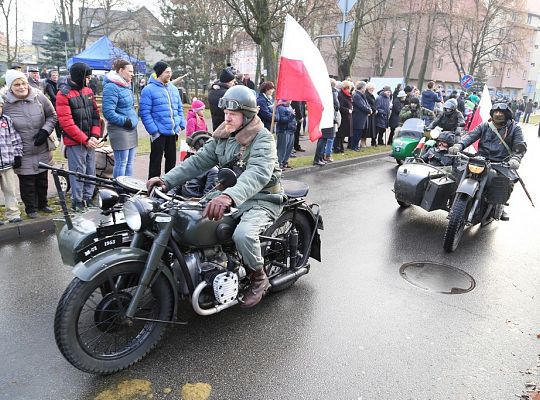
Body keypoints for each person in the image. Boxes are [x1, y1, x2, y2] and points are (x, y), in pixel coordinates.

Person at [146, 85, 282, 308]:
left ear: (247, 116)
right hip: (229, 191)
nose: (227, 117)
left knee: (244, 235)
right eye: (226, 113)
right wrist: (166, 180)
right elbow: (198, 161)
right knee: (191, 217)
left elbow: (257, 174)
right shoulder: (223, 134)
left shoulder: (263, 139)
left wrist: (228, 197)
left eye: (233, 114)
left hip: (262, 197)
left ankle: (259, 277)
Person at [449, 102, 527, 221]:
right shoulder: (485, 126)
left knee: (506, 183)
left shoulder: (515, 129)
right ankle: (457, 201)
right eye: (495, 111)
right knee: (457, 172)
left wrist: (515, 158)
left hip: (501, 163)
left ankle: (499, 205)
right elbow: (470, 136)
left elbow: (520, 146)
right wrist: (459, 145)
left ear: (507, 114)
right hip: (480, 159)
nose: (498, 114)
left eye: (501, 112)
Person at [2, 69, 57, 218]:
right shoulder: (5, 103)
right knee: (27, 181)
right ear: (10, 87)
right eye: (17, 84)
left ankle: (43, 204)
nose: (21, 87)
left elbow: (52, 116)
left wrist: (45, 131)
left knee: (42, 178)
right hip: (21, 150)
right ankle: (31, 208)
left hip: (41, 145)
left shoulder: (39, 96)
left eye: (24, 83)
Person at [57, 62, 102, 211]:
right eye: (87, 77)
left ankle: (88, 198)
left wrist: (95, 135)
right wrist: (85, 139)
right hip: (76, 142)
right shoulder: (63, 94)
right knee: (78, 171)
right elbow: (66, 123)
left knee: (90, 170)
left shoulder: (88, 91)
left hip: (90, 140)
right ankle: (77, 200)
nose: (89, 80)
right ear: (79, 77)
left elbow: (96, 115)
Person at [139, 61, 186, 179]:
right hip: (158, 133)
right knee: (155, 162)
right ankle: (152, 187)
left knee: (171, 162)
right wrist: (154, 131)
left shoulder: (174, 89)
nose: (169, 74)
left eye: (170, 72)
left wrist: (181, 124)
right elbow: (144, 113)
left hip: (173, 131)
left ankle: (169, 186)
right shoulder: (148, 90)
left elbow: (179, 107)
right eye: (167, 72)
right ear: (160, 73)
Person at [102, 59, 139, 178]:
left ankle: (128, 189)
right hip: (120, 129)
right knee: (121, 162)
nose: (132, 74)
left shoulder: (126, 85)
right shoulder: (111, 87)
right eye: (130, 71)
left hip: (131, 129)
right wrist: (126, 121)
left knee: (129, 162)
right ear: (121, 70)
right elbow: (108, 112)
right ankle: (119, 190)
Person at [0, 96, 23, 224]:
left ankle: (13, 214)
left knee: (10, 190)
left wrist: (17, 155)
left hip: (7, 163)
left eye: (0, 106)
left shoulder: (7, 121)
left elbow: (15, 139)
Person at [275, 99, 296, 169]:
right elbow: (282, 120)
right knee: (282, 148)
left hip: (291, 130)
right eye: (290, 99)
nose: (291, 101)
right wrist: (292, 115)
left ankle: (284, 162)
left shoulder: (289, 106)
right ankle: (279, 163)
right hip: (283, 130)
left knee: (289, 148)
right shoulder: (280, 107)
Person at [350, 81, 371, 151]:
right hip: (358, 117)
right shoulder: (356, 95)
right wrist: (369, 110)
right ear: (362, 88)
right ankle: (354, 146)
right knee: (356, 132)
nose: (365, 89)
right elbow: (361, 106)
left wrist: (369, 109)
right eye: (365, 87)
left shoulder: (362, 95)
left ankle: (356, 146)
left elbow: (366, 104)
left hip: (362, 117)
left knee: (359, 132)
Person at [334, 80, 353, 153]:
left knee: (343, 134)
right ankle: (337, 148)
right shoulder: (340, 95)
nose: (350, 90)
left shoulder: (347, 95)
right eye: (349, 88)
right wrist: (348, 110)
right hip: (342, 117)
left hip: (347, 117)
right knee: (339, 134)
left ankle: (341, 147)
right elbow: (340, 106)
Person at [44, 69, 62, 140]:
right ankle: (58, 135)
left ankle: (60, 134)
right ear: (50, 77)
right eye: (53, 75)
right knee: (56, 120)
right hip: (53, 105)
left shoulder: (59, 83)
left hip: (59, 104)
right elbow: (53, 96)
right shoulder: (49, 84)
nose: (55, 77)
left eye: (56, 75)